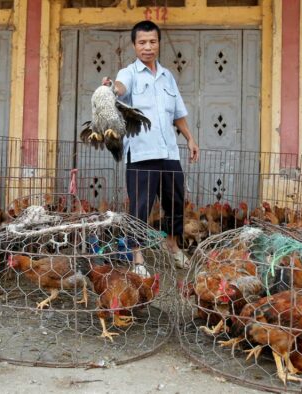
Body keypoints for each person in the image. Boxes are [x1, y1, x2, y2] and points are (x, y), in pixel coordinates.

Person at [108, 20, 199, 268]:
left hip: (169, 151)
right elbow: (120, 87)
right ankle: (137, 257)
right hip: (141, 152)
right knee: (141, 206)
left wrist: (190, 137)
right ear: (134, 45)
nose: (148, 47)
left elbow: (177, 112)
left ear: (158, 43)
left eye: (152, 41)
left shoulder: (167, 76)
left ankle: (172, 244)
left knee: (175, 201)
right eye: (142, 42)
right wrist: (111, 89)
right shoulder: (129, 73)